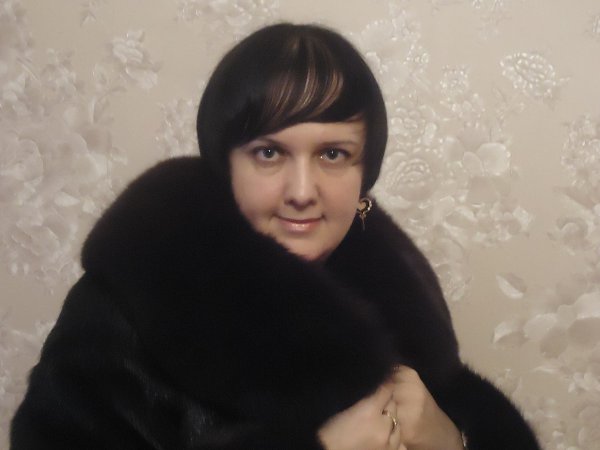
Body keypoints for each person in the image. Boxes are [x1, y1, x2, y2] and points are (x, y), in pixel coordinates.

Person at [10, 23, 540, 450]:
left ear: (365, 175)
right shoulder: (126, 311)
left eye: (333, 154)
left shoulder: (400, 294)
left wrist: (453, 441)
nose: (302, 191)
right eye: (269, 153)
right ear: (224, 167)